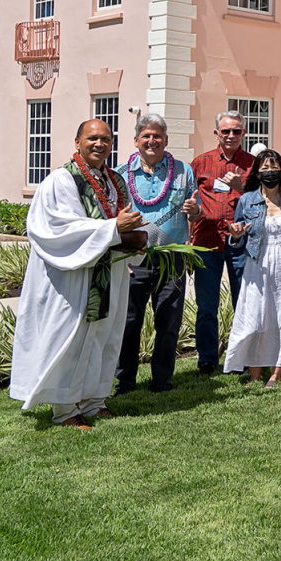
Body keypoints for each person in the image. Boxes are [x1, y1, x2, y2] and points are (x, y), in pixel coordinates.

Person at [9, 120, 147, 429]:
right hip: (71, 276)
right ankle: (64, 409)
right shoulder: (60, 180)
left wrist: (134, 238)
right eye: (93, 138)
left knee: (102, 338)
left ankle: (94, 401)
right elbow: (58, 227)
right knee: (69, 338)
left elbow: (123, 220)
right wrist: (114, 229)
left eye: (106, 139)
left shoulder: (114, 181)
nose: (100, 144)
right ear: (77, 142)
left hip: (108, 272)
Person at [114, 113, 201, 396]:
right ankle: (123, 381)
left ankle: (162, 380)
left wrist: (195, 211)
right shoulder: (119, 174)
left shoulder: (183, 172)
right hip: (132, 258)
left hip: (171, 257)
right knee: (128, 321)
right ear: (136, 140)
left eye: (157, 136)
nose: (152, 141)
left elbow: (197, 211)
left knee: (169, 320)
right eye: (146, 136)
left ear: (166, 140)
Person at [223, 149, 281, 387]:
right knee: (255, 317)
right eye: (265, 169)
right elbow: (238, 238)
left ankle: (277, 371)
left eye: (274, 167)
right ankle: (254, 371)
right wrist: (236, 236)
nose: (270, 173)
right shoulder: (247, 199)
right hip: (257, 263)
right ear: (257, 173)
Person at [190, 111, 255, 374]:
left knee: (243, 301)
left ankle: (240, 358)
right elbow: (189, 200)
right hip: (206, 241)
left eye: (236, 131)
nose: (230, 136)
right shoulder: (200, 163)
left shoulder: (253, 164)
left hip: (241, 243)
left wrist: (243, 188)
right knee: (207, 305)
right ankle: (207, 358)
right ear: (217, 132)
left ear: (244, 134)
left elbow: (263, 200)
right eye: (226, 131)